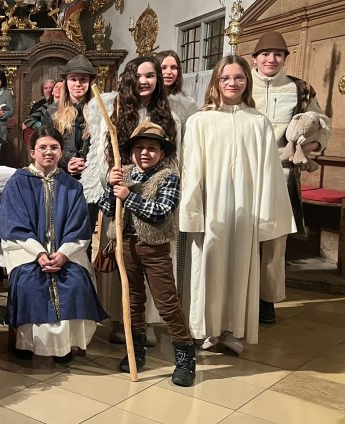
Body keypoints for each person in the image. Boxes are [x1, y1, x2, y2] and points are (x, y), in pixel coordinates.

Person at [181, 55, 295, 353]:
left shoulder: (258, 123)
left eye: (239, 78)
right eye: (226, 78)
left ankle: (232, 330)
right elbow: (191, 170)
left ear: (247, 81)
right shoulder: (200, 121)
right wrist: (192, 213)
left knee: (240, 268)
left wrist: (266, 215)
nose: (232, 83)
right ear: (216, 83)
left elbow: (270, 172)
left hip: (246, 209)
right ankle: (205, 328)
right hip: (210, 210)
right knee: (207, 267)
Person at [83, 55, 180, 344]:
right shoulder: (115, 113)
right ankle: (121, 319)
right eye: (138, 76)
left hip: (152, 199)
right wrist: (109, 182)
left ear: (158, 80)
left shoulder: (169, 117)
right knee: (124, 266)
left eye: (150, 75)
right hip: (121, 195)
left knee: (154, 264)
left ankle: (148, 322)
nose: (144, 81)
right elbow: (103, 156)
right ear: (129, 79)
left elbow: (174, 161)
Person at [0, 127, 107, 362]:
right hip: (25, 250)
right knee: (29, 282)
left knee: (75, 282)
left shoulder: (73, 186)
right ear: (32, 152)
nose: (48, 152)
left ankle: (64, 346)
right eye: (42, 147)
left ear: (60, 152)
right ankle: (26, 343)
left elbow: (79, 227)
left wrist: (64, 254)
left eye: (54, 147)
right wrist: (39, 253)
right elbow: (12, 225)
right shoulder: (17, 182)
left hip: (67, 252)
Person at [98, 121, 196, 386]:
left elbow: (160, 212)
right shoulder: (123, 173)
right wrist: (110, 186)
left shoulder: (168, 178)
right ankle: (135, 350)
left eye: (152, 148)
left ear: (161, 154)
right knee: (132, 301)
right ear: (131, 153)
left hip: (154, 249)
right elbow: (107, 210)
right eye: (139, 148)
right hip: (125, 246)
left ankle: (185, 356)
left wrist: (128, 196)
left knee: (166, 302)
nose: (145, 153)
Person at [249, 31, 329, 324]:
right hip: (245, 173)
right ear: (255, 58)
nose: (271, 60)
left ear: (284, 58)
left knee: (274, 239)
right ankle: (241, 296)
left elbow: (321, 123)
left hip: (281, 174)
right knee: (245, 237)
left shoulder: (300, 89)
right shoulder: (242, 84)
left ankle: (266, 299)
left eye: (278, 55)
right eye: (265, 54)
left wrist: (310, 145)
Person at [53, 55, 94, 181]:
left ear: (90, 82)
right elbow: (46, 145)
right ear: (66, 82)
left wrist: (86, 164)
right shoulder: (52, 112)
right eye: (73, 79)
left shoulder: (98, 112)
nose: (78, 84)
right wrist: (67, 161)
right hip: (60, 175)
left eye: (83, 79)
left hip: (91, 176)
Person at [156, 50, 197, 128]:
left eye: (173, 67)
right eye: (163, 68)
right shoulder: (146, 99)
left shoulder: (188, 104)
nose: (169, 72)